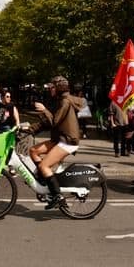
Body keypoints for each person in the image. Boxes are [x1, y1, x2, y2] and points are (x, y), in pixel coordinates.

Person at [27, 76, 84, 209]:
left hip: (68, 141)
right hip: (59, 139)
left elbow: (54, 122)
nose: (50, 90)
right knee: (33, 151)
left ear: (58, 88)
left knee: (44, 166)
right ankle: (45, 179)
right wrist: (28, 129)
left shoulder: (65, 102)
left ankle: (58, 196)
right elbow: (47, 123)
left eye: (52, 87)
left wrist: (44, 110)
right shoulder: (57, 101)